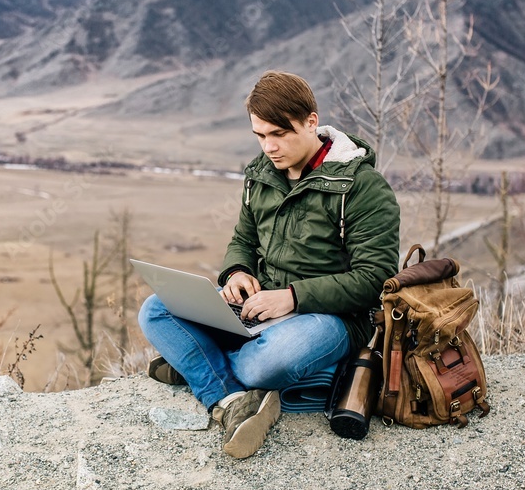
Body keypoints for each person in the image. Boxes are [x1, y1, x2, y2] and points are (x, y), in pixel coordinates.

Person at [138, 70, 400, 459]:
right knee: (156, 309)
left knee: (267, 364)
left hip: (332, 320)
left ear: (311, 122)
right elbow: (243, 239)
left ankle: (201, 368)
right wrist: (236, 273)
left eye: (279, 134)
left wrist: (293, 297)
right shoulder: (260, 173)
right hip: (258, 309)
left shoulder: (363, 187)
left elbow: (375, 279)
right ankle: (231, 397)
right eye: (260, 136)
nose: (269, 147)